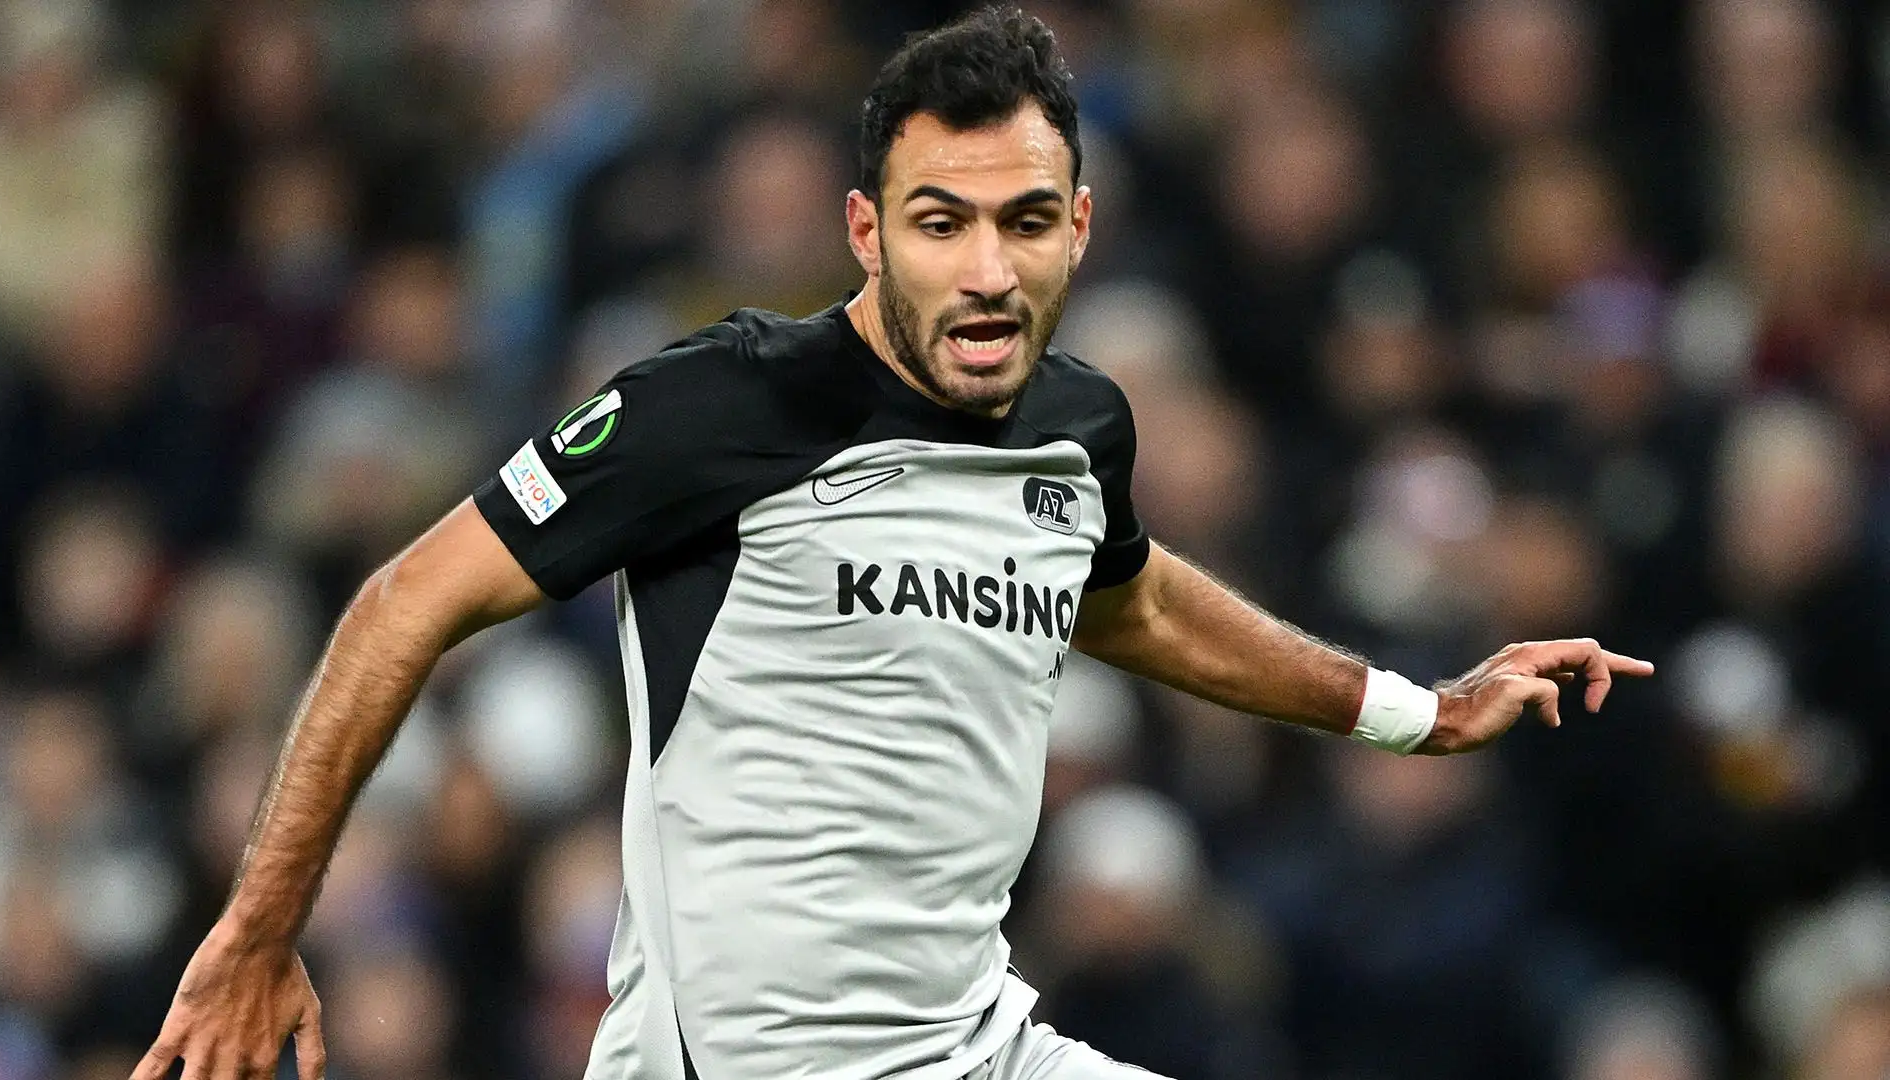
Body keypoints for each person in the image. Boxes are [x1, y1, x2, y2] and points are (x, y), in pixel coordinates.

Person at [131, 8, 1653, 1080]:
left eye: (1026, 222)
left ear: (1080, 226)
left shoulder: (1079, 431)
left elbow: (1130, 603)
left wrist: (1413, 711)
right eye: (942, 223)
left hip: (976, 1043)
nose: (988, 270)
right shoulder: (720, 407)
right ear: (866, 233)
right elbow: (402, 603)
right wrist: (259, 931)